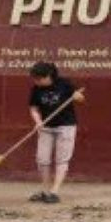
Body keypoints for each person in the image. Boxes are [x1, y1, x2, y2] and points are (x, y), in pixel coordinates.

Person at [27, 61, 79, 204]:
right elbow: (33, 108)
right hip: (46, 127)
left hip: (66, 126)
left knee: (62, 159)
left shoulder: (65, 84)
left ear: (48, 76)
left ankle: (54, 192)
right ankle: (45, 190)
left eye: (39, 79)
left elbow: (80, 97)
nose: (36, 81)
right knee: (42, 159)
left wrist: (77, 97)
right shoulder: (36, 89)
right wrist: (38, 121)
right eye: (34, 79)